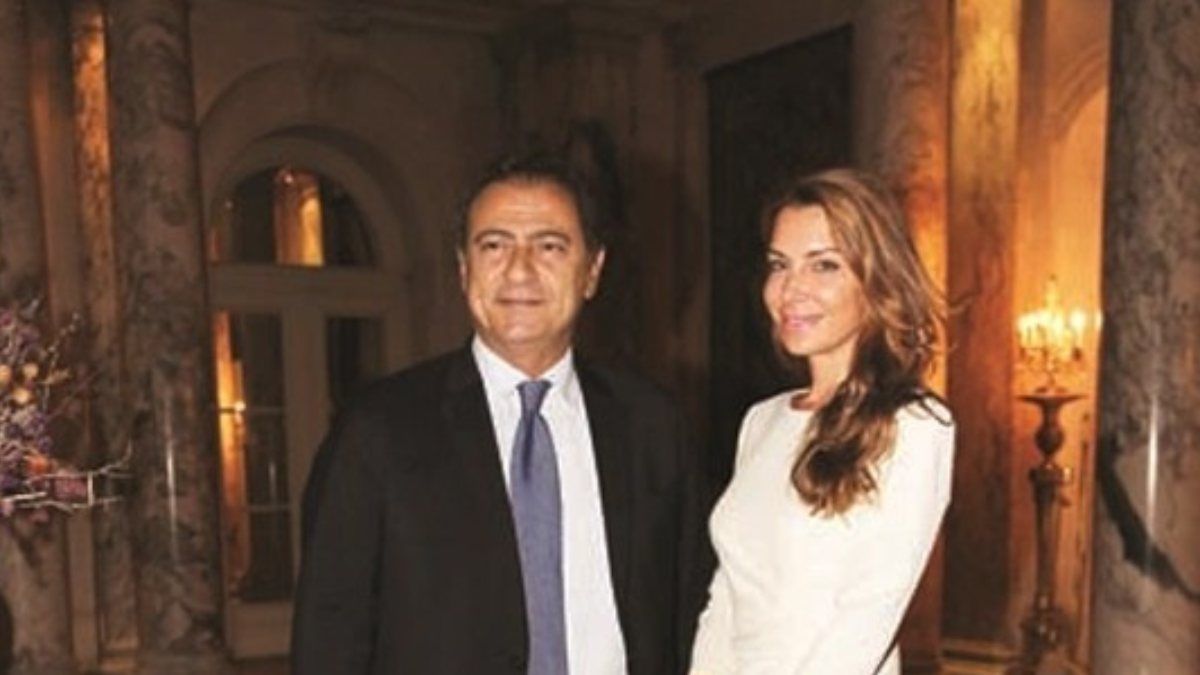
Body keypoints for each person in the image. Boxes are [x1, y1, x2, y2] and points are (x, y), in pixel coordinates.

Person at [292, 152, 704, 674]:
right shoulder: (377, 431)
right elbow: (329, 636)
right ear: (464, 270)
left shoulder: (653, 426)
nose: (519, 270)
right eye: (494, 245)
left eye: (550, 246)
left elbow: (691, 614)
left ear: (592, 271)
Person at [689, 168, 955, 674]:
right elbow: (725, 600)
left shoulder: (915, 424)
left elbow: (869, 612)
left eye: (824, 265)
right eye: (779, 265)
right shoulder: (762, 421)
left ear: (876, 280)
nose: (791, 289)